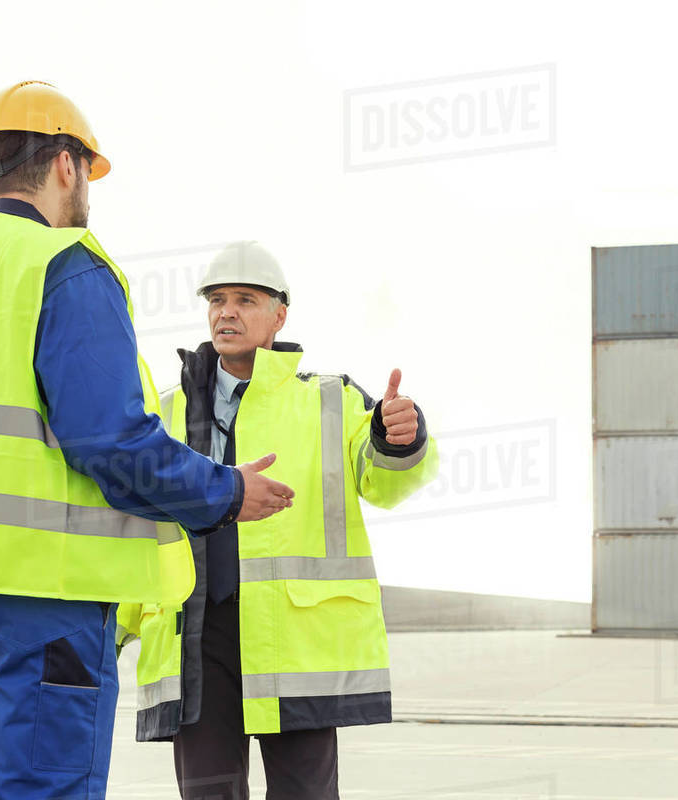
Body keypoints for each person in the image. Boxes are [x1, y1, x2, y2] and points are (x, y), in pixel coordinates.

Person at [0, 81, 294, 799]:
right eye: (89, 172)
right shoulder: (67, 267)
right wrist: (227, 490)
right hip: (45, 593)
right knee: (41, 784)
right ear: (64, 166)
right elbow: (112, 443)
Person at [116, 241, 437, 800]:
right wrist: (107, 628)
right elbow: (130, 528)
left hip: (294, 642)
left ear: (279, 315)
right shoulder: (163, 412)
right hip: (195, 641)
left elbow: (382, 479)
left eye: (245, 299)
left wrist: (397, 436)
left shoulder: (330, 400)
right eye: (217, 299)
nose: (227, 312)